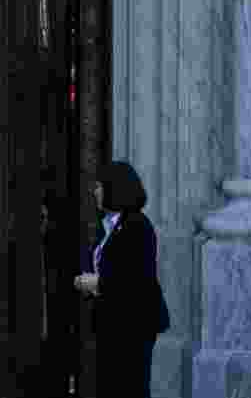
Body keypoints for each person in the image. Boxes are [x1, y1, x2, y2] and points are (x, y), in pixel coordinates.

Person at [74, 162, 169, 398]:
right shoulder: (109, 226)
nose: (94, 191)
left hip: (133, 324)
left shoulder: (137, 226)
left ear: (114, 188)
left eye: (99, 186)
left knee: (129, 387)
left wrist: (95, 283)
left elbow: (135, 280)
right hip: (112, 323)